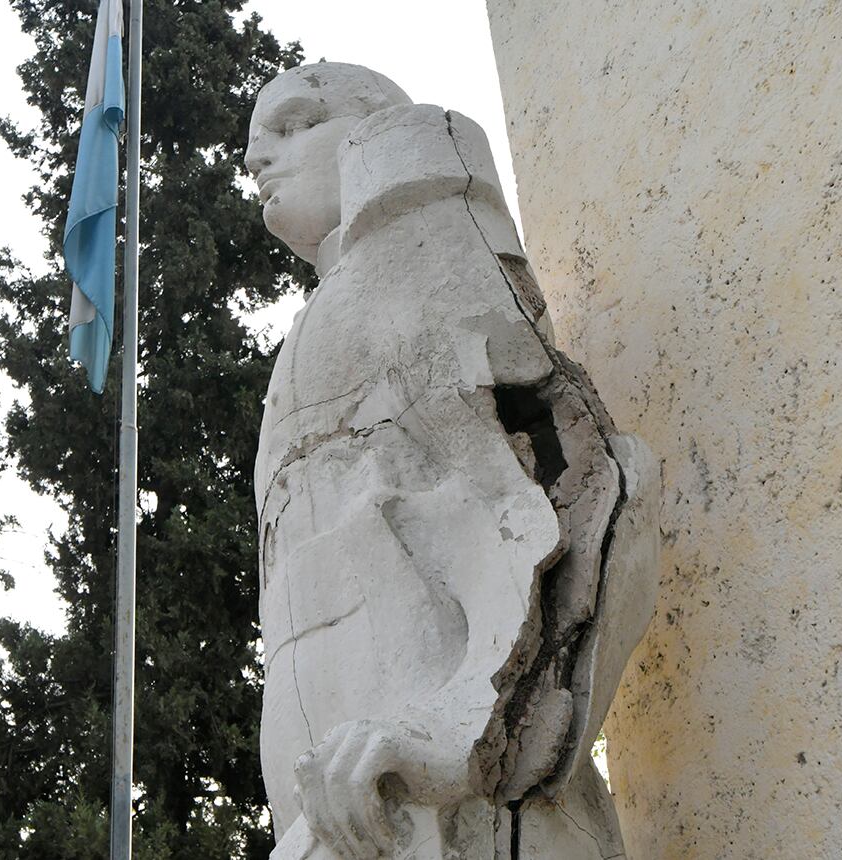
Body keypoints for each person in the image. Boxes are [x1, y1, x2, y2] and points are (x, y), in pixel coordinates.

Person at [247, 63, 659, 859]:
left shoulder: (425, 250)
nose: (258, 159)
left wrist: (451, 732)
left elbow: (598, 492)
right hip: (335, 815)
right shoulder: (319, 322)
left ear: (371, 133)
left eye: (295, 123)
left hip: (467, 810)